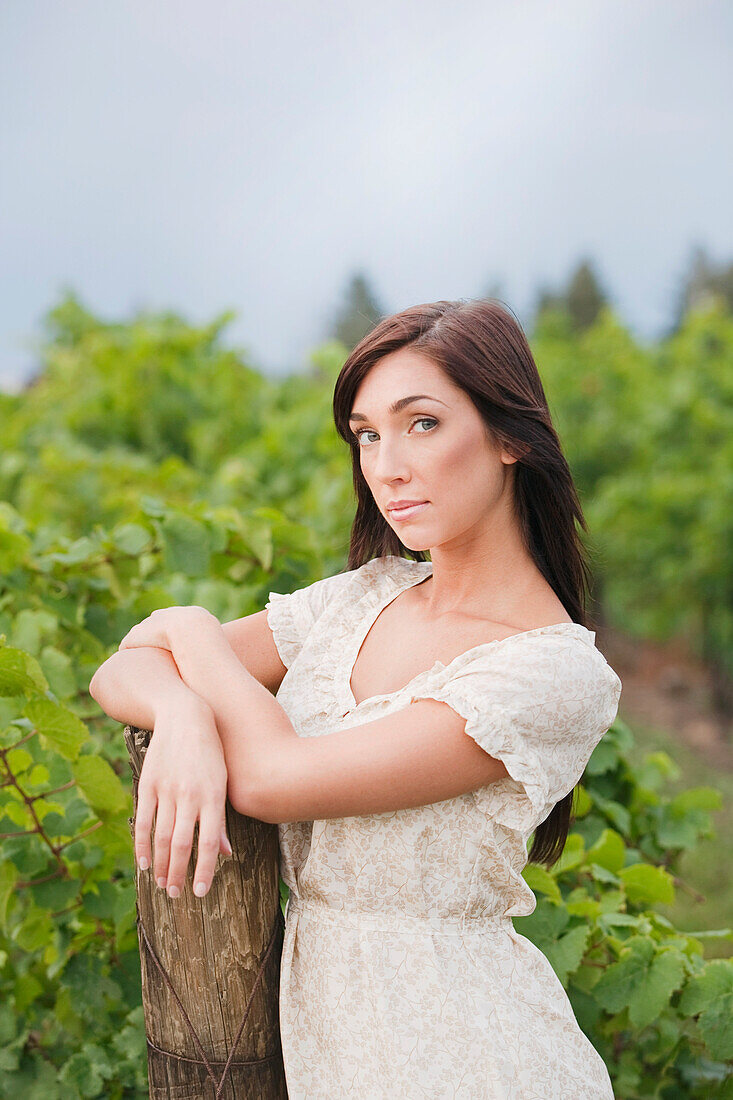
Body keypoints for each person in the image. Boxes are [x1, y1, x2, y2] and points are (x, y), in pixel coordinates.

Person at [90, 298, 621, 1098]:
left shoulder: (548, 674)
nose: (386, 466)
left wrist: (188, 627)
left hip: (472, 1058)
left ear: (511, 437)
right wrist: (181, 714)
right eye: (367, 435)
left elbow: (270, 780)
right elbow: (120, 669)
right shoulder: (362, 598)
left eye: (422, 424)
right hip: (333, 1048)